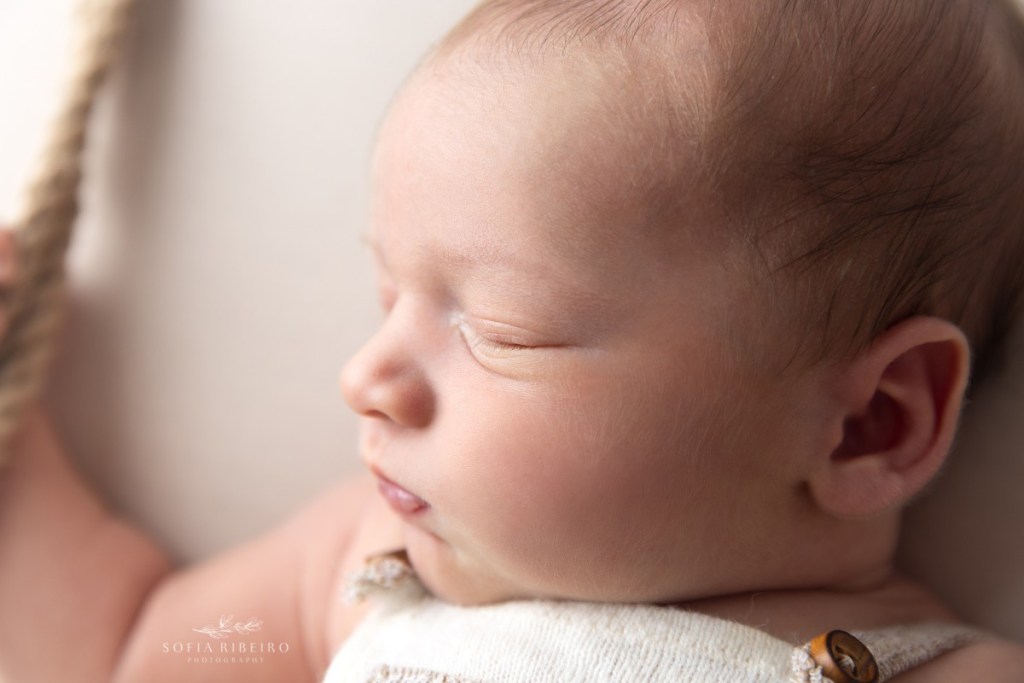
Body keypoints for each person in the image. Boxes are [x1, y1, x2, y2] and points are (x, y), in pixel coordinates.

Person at [2, 0, 1024, 680]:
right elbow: (121, 647)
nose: (366, 378)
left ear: (868, 424)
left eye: (497, 330)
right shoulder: (365, 566)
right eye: (386, 293)